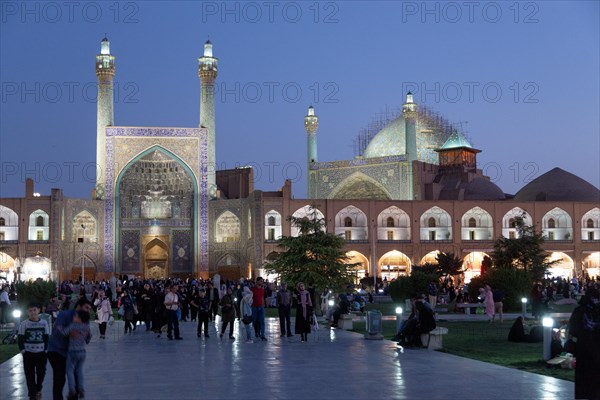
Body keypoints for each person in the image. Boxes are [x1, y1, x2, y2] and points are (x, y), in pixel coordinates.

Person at [47, 297, 92, 400]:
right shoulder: (65, 315)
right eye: (86, 307)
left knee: (76, 375)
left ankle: (74, 394)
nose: (88, 311)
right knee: (60, 378)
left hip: (72, 352)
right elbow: (59, 332)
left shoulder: (85, 320)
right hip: (57, 351)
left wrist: (81, 335)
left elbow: (87, 338)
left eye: (89, 309)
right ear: (78, 306)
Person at [568, 286, 600, 400]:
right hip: (596, 350)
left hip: (583, 349)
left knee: (584, 377)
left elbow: (572, 330)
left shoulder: (579, 311)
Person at [18, 302, 50, 400]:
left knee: (41, 373)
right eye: (30, 311)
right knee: (29, 375)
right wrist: (23, 351)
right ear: (27, 312)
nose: (33, 312)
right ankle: (32, 395)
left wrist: (46, 350)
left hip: (41, 354)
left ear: (39, 310)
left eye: (35, 310)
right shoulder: (24, 324)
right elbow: (20, 339)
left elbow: (46, 337)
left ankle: (38, 388)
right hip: (28, 354)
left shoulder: (44, 323)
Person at [63, 310, 91, 400]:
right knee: (79, 371)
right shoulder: (87, 327)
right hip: (82, 352)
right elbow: (89, 337)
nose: (73, 318)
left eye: (75, 316)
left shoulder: (73, 326)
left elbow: (64, 333)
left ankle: (72, 389)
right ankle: (81, 388)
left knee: (70, 371)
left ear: (79, 318)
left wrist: (59, 328)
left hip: (72, 352)